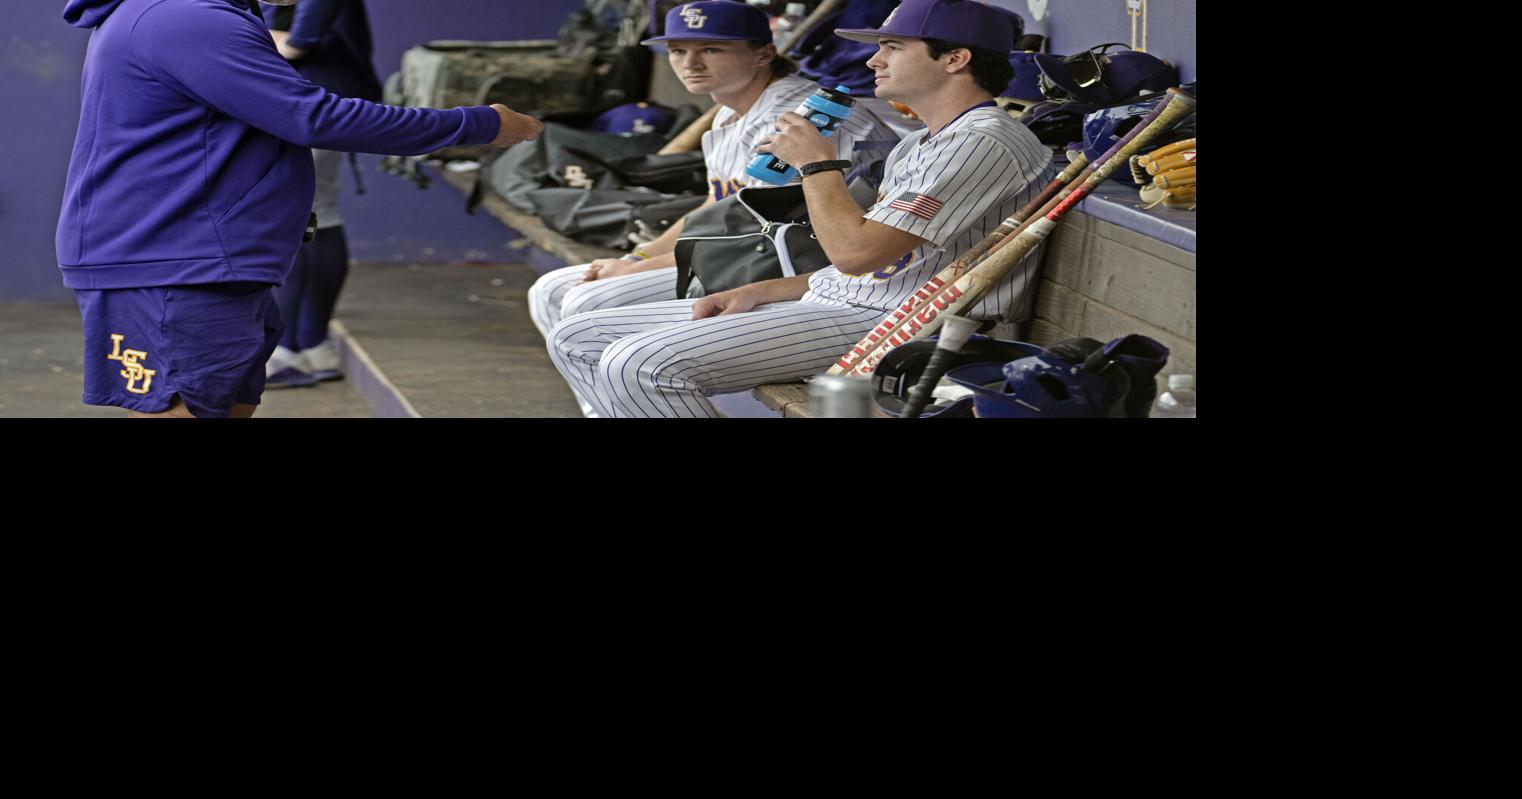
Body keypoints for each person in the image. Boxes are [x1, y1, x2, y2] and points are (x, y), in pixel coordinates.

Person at [544, 0, 1055, 418]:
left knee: (638, 363)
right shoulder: (923, 141)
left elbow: (858, 255)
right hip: (842, 299)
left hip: (898, 321)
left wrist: (816, 164)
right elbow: (855, 265)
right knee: (578, 335)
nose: (874, 61)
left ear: (954, 59)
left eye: (893, 47)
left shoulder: (982, 142)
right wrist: (761, 290)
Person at [57, 0, 542, 418]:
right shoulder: (183, 17)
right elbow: (312, 117)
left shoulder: (196, 13)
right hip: (169, 266)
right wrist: (478, 124)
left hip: (204, 261)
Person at [526, 0, 900, 373]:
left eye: (711, 49)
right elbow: (714, 209)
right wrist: (636, 258)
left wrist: (630, 272)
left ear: (763, 54)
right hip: (754, 253)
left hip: (810, 266)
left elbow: (749, 237)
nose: (691, 63)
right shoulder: (729, 110)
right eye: (677, 51)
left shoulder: (794, 117)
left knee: (584, 302)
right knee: (550, 289)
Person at [259, 0, 383, 387]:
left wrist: (294, 43)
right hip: (326, 89)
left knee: (293, 215)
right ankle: (313, 346)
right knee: (319, 212)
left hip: (309, 92)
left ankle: (287, 353)